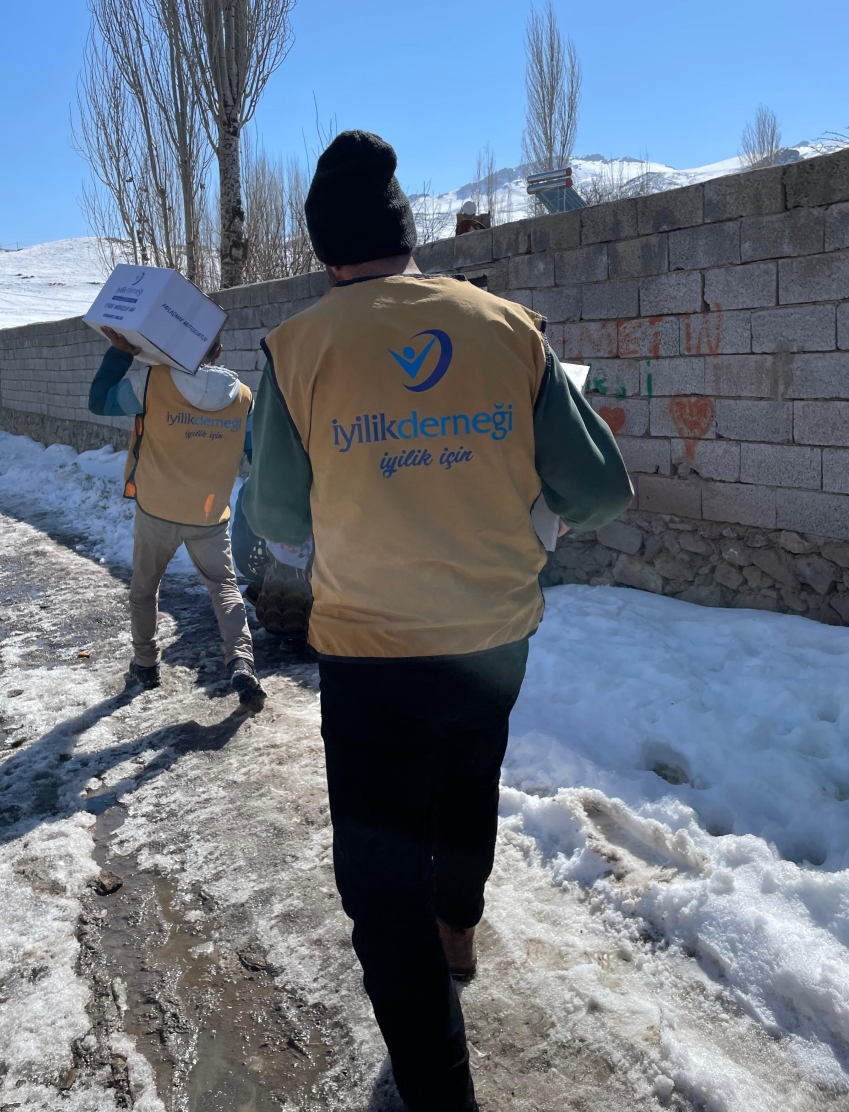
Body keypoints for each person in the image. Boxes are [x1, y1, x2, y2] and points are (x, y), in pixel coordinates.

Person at [242, 130, 633, 1110]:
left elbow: (278, 516)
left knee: (380, 885)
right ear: (405, 232)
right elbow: (599, 491)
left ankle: (437, 1087)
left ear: (323, 248)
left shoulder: (298, 349)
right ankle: (456, 926)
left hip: (370, 650)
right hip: (492, 637)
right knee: (466, 783)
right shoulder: (509, 328)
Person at [89, 327, 264, 711]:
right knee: (224, 587)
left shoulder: (151, 382)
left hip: (158, 510)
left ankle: (146, 664)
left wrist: (121, 353)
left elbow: (99, 401)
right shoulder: (243, 397)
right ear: (218, 351)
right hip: (208, 513)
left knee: (144, 589)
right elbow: (255, 452)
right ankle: (241, 661)